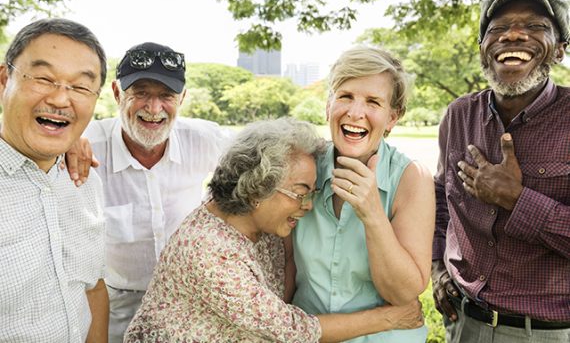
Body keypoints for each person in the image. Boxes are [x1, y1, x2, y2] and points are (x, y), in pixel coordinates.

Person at [124, 117, 425, 342]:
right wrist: (389, 317)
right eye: (300, 192)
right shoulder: (209, 251)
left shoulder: (260, 226)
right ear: (257, 189)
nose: (308, 206)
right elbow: (292, 329)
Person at [431, 0, 570, 342]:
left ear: (559, 49)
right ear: (482, 48)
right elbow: (441, 201)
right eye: (499, 28)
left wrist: (517, 199)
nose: (513, 35)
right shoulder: (459, 115)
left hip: (545, 333)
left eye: (535, 26)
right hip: (464, 323)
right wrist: (438, 268)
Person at [72, 42, 230, 342]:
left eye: (166, 96)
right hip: (117, 303)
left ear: (182, 98)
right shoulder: (86, 145)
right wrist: (65, 142)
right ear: (118, 94)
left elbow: (266, 153)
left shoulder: (204, 139)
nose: (154, 108)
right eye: (141, 93)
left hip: (190, 301)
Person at [292, 45, 435, 342]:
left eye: (373, 102)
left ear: (392, 118)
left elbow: (402, 292)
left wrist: (372, 213)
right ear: (328, 105)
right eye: (345, 96)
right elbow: (284, 269)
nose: (355, 113)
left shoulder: (412, 178)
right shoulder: (301, 167)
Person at [0, 18, 108, 342]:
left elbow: (93, 289)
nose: (61, 100)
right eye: (44, 78)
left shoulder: (86, 180)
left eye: (80, 87)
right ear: (4, 80)